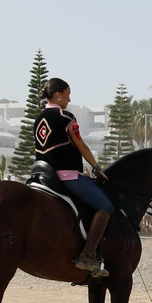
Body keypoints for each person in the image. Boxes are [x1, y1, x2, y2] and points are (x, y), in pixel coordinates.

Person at [32, 77, 114, 277]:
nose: (69, 99)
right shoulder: (66, 117)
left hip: (41, 174)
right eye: (67, 95)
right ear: (58, 95)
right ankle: (87, 255)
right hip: (66, 175)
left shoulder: (39, 118)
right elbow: (81, 146)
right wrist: (96, 167)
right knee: (105, 207)